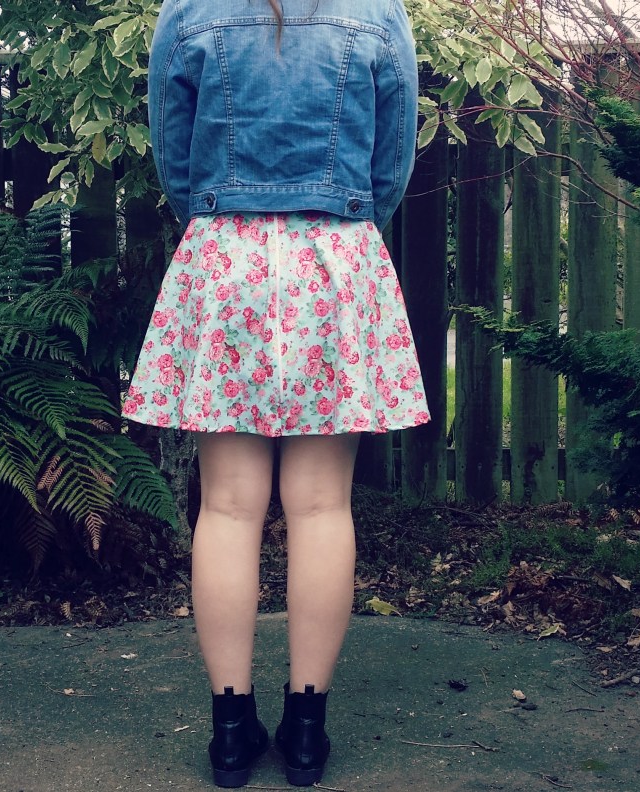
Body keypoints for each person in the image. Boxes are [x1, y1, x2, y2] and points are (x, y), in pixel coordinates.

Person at [122, 0, 428, 786]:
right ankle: (306, 735)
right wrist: (343, 225)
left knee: (227, 507)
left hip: (226, 257)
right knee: (321, 506)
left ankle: (230, 736)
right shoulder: (377, 10)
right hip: (338, 253)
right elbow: (391, 161)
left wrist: (226, 226)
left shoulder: (188, 9)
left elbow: (176, 160)